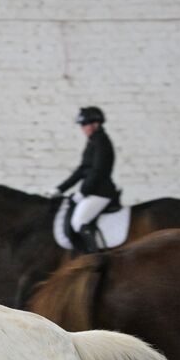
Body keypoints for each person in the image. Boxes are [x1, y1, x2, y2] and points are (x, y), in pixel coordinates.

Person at [56, 106, 118, 253]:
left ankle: (95, 259)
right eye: (82, 125)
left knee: (79, 222)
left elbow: (98, 171)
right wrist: (60, 188)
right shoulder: (93, 142)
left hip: (101, 192)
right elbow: (83, 169)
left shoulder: (101, 142)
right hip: (93, 191)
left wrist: (83, 192)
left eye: (85, 124)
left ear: (96, 124)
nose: (83, 128)